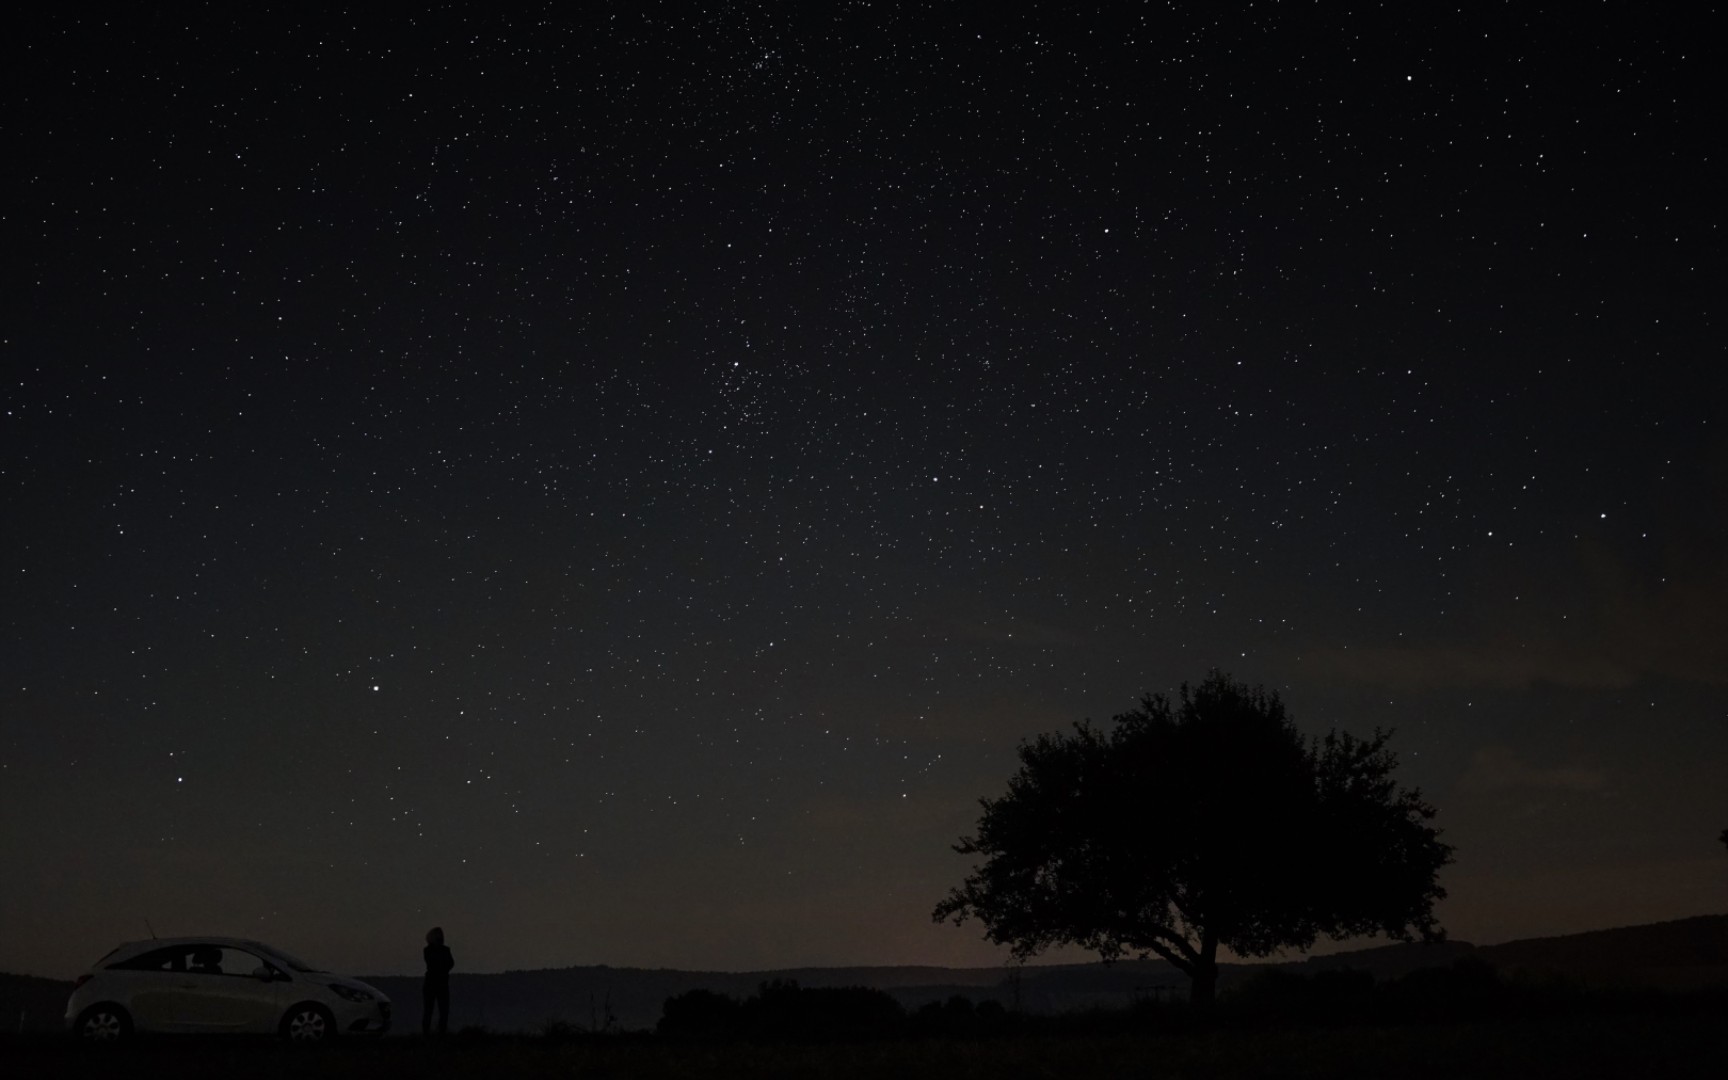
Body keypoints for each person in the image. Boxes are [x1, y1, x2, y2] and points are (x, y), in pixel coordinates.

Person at [422, 926, 453, 1036]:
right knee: (431, 1010)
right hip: (437, 983)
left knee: (440, 1010)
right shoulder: (430, 950)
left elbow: (449, 963)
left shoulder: (430, 950)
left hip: (437, 983)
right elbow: (449, 964)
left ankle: (440, 1032)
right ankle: (430, 1032)